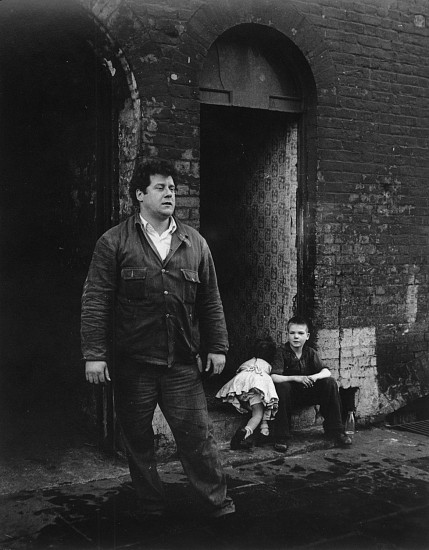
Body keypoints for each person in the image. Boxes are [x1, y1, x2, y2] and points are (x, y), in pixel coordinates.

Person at [81, 159, 235, 519]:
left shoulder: (194, 242)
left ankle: (217, 506)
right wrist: (94, 354)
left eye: (173, 189)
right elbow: (96, 299)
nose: (170, 194)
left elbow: (210, 299)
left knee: (198, 439)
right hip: (133, 364)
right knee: (137, 442)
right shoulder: (114, 242)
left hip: (181, 363)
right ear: (139, 194)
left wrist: (217, 346)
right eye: (161, 188)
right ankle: (151, 507)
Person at [271, 316, 352, 452]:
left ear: (307, 336)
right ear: (288, 334)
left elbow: (326, 372)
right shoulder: (281, 352)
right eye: (292, 333)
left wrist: (313, 377)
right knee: (282, 387)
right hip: (289, 396)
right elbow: (273, 377)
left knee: (330, 383)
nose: (296, 337)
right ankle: (281, 436)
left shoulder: (310, 352)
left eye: (300, 333)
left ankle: (335, 430)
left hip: (308, 393)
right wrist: (297, 378)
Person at [216, 336, 278, 450]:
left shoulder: (246, 363)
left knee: (252, 403)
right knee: (258, 413)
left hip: (241, 388)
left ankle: (264, 429)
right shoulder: (268, 366)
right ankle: (246, 431)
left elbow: (238, 373)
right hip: (256, 388)